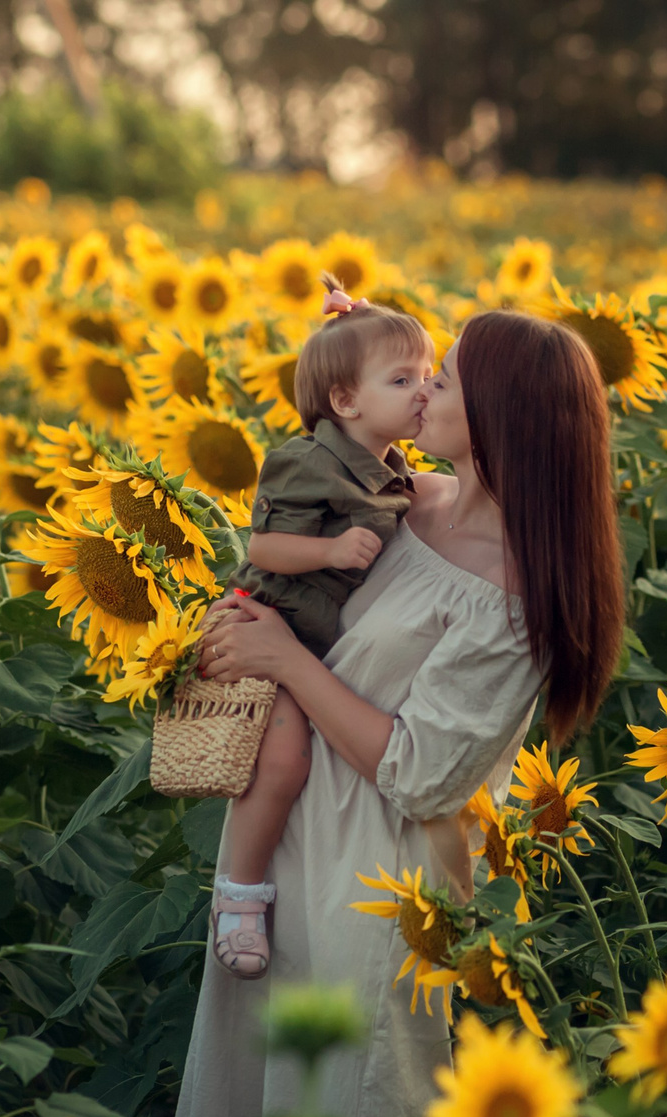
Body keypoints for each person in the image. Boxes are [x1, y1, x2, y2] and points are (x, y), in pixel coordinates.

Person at [174, 310, 626, 1117]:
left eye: (449, 385)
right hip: (297, 848)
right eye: (425, 380)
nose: (426, 396)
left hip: (383, 890)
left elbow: (421, 773)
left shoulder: (517, 593)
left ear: (501, 422)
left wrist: (285, 667)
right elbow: (302, 519)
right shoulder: (403, 503)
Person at [211, 280, 435, 980]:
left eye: (429, 377)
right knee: (282, 762)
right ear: (346, 402)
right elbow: (265, 549)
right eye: (403, 380)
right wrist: (332, 552)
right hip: (269, 627)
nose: (424, 391)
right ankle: (239, 897)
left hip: (315, 640)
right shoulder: (307, 461)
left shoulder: (396, 469)